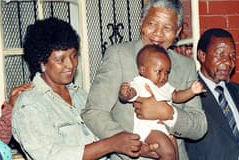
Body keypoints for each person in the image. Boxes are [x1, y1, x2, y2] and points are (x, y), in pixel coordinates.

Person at [11, 17, 153, 160]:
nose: (70, 65)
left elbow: (106, 135)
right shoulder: (29, 105)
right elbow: (51, 156)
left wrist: (137, 146)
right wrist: (111, 144)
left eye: (73, 56)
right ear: (41, 62)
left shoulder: (81, 96)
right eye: (60, 60)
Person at [81, 0, 208, 159]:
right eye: (152, 24)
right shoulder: (119, 55)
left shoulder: (186, 66)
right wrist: (133, 146)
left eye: (167, 28)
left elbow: (199, 126)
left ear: (178, 32)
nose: (158, 34)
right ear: (141, 23)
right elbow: (94, 112)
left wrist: (169, 114)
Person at [185, 28, 239, 160]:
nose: (228, 62)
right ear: (202, 55)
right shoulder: (189, 95)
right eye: (220, 54)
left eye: (232, 55)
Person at [119, 44, 205, 160]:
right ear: (143, 69)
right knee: (168, 152)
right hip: (149, 128)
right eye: (159, 71)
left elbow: (177, 96)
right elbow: (132, 93)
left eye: (167, 72)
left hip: (164, 128)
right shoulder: (141, 82)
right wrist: (125, 93)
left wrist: (191, 91)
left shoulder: (165, 86)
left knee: (174, 152)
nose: (163, 76)